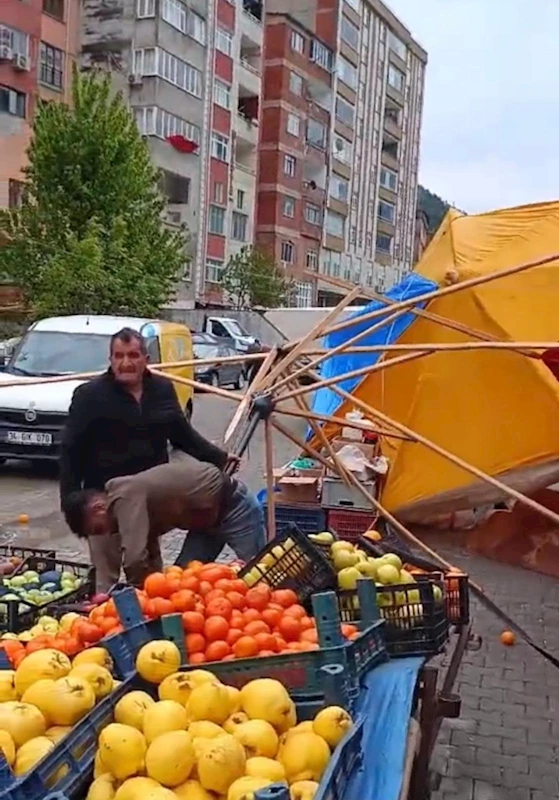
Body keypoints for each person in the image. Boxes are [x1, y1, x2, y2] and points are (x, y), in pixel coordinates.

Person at [59, 326, 239, 514]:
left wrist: (219, 458)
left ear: (146, 359)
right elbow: (71, 450)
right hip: (108, 502)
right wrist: (72, 503)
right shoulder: (89, 395)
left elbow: (183, 435)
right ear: (110, 359)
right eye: (119, 356)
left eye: (133, 355)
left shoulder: (162, 389)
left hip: (153, 498)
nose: (125, 363)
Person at [62, 455, 265, 592]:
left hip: (234, 507)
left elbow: (134, 557)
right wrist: (154, 589)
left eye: (99, 528)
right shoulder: (126, 502)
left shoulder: (125, 498)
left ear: (98, 507)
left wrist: (137, 596)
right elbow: (147, 550)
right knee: (182, 585)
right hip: (204, 522)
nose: (107, 533)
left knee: (260, 576)